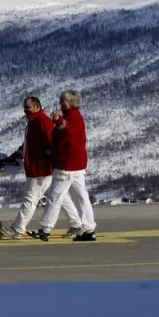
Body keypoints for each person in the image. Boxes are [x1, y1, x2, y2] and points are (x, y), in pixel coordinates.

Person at [0, 97, 82, 239]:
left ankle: (17, 229)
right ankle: (76, 225)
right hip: (43, 169)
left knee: (30, 198)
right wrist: (18, 154)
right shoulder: (34, 122)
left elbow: (52, 141)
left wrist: (46, 159)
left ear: (37, 106)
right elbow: (30, 143)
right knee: (59, 197)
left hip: (40, 170)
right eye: (25, 108)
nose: (25, 111)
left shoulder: (41, 121)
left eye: (28, 107)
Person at [38, 90, 97, 242]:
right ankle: (89, 229)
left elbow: (69, 132)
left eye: (64, 100)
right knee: (81, 197)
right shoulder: (75, 117)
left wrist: (58, 122)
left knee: (55, 197)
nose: (61, 103)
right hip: (77, 165)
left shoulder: (73, 117)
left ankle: (45, 228)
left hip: (67, 165)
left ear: (71, 102)